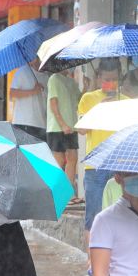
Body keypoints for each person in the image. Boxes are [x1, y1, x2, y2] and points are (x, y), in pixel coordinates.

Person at [77, 59, 129, 248]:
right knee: (94, 216)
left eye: (115, 79)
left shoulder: (127, 102)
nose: (111, 84)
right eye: (107, 79)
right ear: (98, 78)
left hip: (121, 164)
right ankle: (92, 263)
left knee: (122, 215)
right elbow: (82, 130)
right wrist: (100, 108)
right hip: (95, 166)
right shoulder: (88, 99)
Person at [46, 67, 82, 204]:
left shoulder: (71, 82)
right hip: (57, 127)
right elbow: (53, 104)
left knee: (73, 158)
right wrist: (62, 124)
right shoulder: (54, 78)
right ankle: (56, 194)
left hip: (71, 126)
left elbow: (80, 100)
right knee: (59, 161)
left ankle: (69, 194)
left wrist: (88, 85)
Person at [9, 59, 48, 142]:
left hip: (41, 124)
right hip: (23, 122)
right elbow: (12, 93)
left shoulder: (46, 76)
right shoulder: (22, 71)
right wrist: (33, 91)